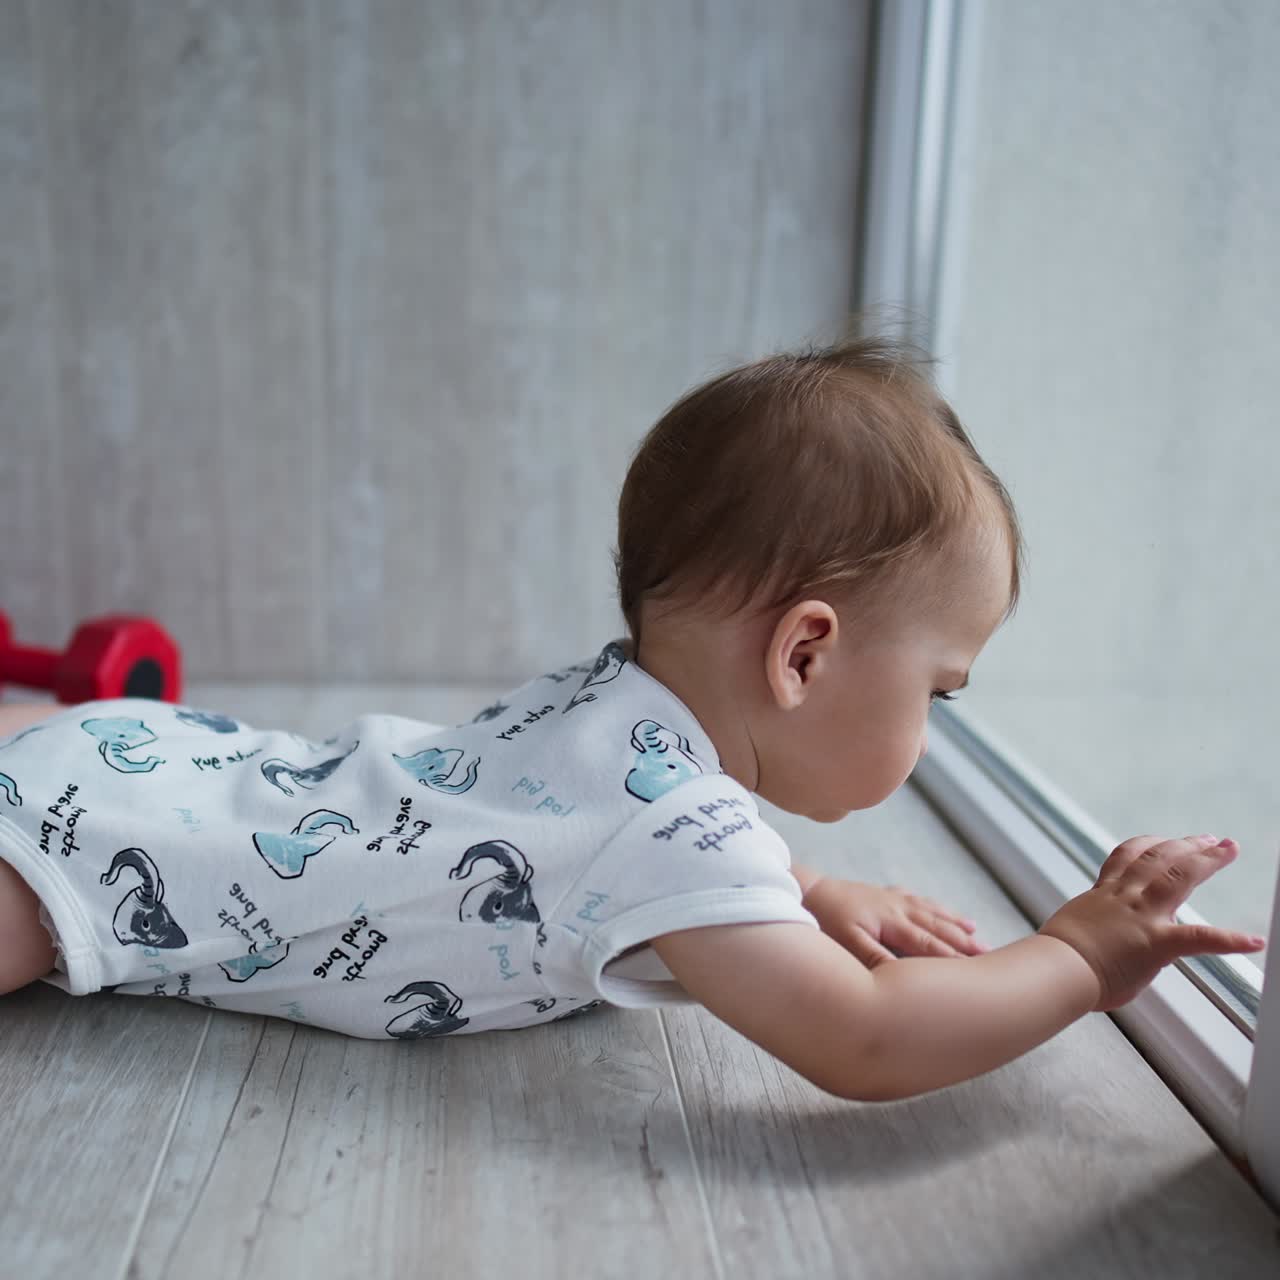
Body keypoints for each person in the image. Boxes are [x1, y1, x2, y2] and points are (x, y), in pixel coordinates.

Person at [0, 334, 1264, 1097]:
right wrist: (1081, 957)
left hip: (160, 762)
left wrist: (807, 889)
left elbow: (626, 833)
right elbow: (868, 1040)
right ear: (806, 653)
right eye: (936, 691)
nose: (928, 728)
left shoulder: (616, 704)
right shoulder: (672, 829)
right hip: (126, 854)